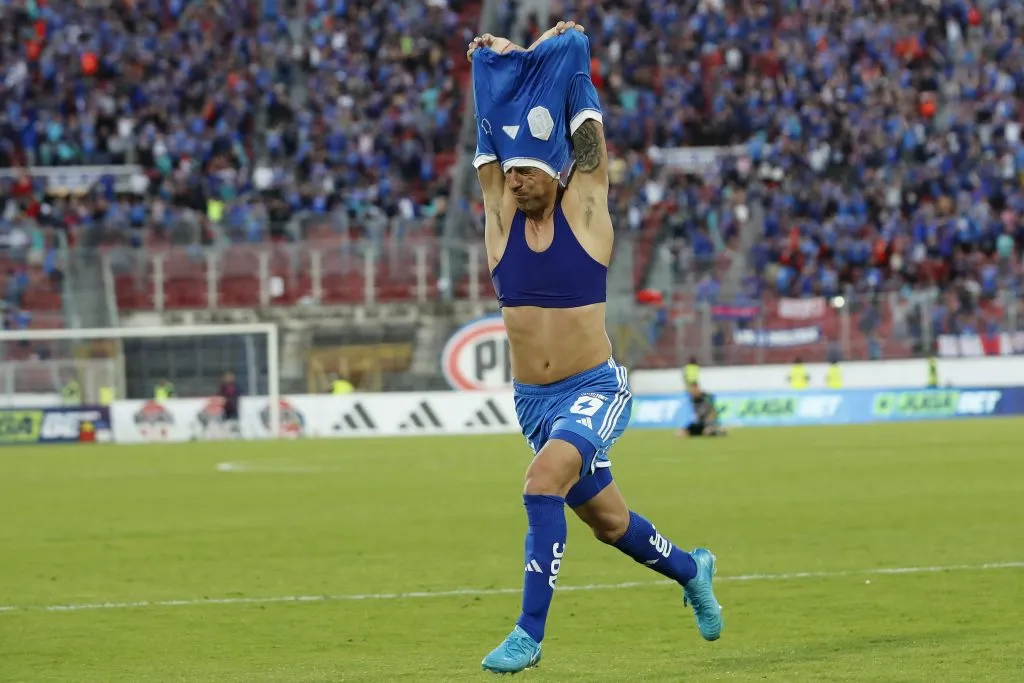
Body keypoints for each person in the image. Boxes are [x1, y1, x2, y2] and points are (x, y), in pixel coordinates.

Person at [467, 22, 722, 675]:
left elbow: (590, 142)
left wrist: (572, 58)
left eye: (528, 172)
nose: (516, 181)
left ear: (555, 173)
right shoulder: (500, 219)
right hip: (535, 405)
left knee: (541, 481)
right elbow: (488, 139)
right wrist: (489, 67)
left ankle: (528, 633)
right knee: (610, 522)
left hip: (594, 392)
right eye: (512, 172)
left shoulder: (587, 211)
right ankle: (693, 570)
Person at [219, 371, 240, 436]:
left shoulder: (235, 386)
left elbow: (238, 394)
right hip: (226, 407)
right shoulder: (223, 386)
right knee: (225, 422)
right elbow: (221, 395)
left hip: (234, 407)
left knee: (235, 421)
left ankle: (236, 435)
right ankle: (225, 434)